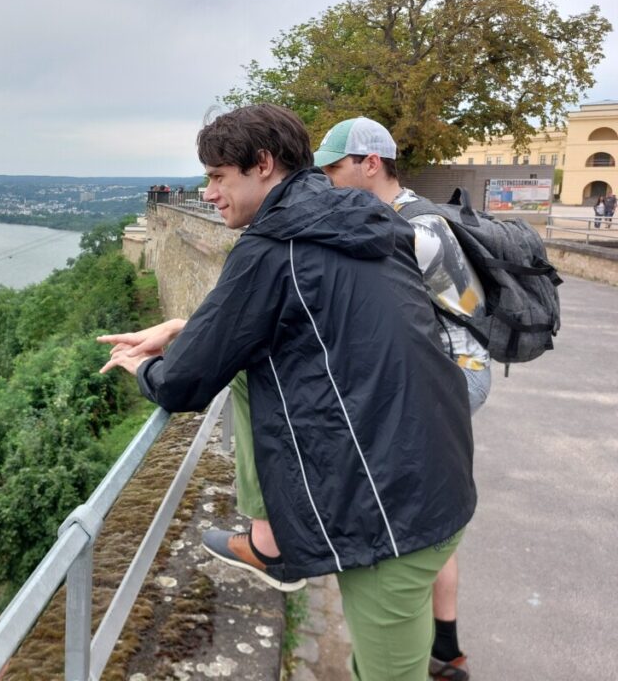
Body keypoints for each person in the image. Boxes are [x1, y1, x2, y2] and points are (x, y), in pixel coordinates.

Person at [100, 103, 475, 681]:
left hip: (390, 516)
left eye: (218, 176)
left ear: (264, 165)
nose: (207, 193)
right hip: (436, 472)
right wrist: (182, 328)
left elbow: (183, 384)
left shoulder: (274, 246)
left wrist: (139, 366)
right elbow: (295, 320)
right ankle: (272, 542)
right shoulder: (359, 215)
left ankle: (270, 544)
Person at [315, 117, 491, 680]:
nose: (327, 180)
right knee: (430, 522)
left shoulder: (420, 227)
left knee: (412, 515)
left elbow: (468, 310)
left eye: (334, 168)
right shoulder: (388, 219)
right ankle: (446, 649)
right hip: (439, 372)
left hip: (455, 373)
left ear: (370, 163)